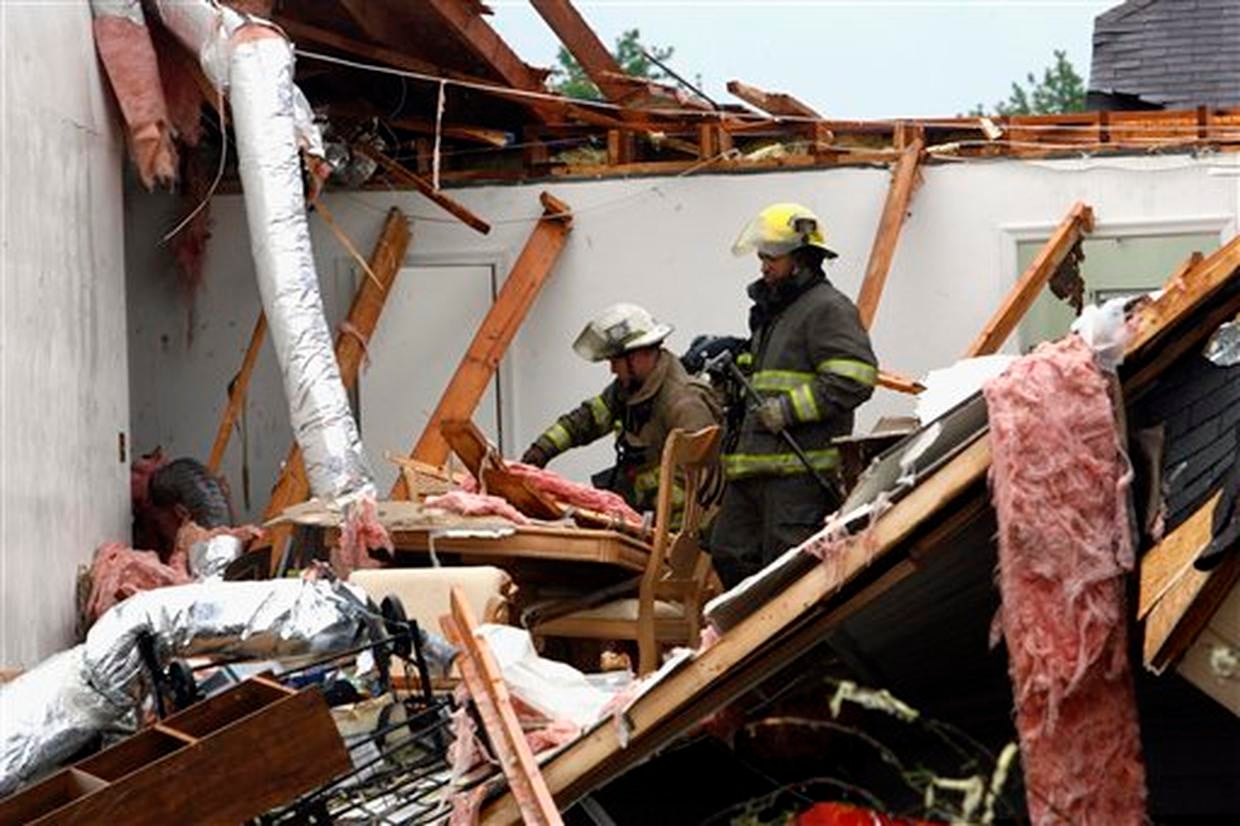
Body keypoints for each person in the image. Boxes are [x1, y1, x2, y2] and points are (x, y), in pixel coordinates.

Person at [709, 203, 878, 588]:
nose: (763, 264)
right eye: (762, 255)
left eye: (773, 256)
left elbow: (855, 377)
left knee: (786, 575)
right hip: (754, 470)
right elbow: (772, 375)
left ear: (801, 258)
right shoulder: (777, 311)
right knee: (728, 553)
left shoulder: (827, 308)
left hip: (796, 477)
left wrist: (787, 410)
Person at [521, 302, 722, 513]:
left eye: (615, 361)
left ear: (637, 355)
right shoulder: (628, 389)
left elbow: (693, 485)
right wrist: (541, 450)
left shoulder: (684, 403)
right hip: (642, 514)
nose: (612, 370)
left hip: (677, 529)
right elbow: (586, 420)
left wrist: (636, 517)